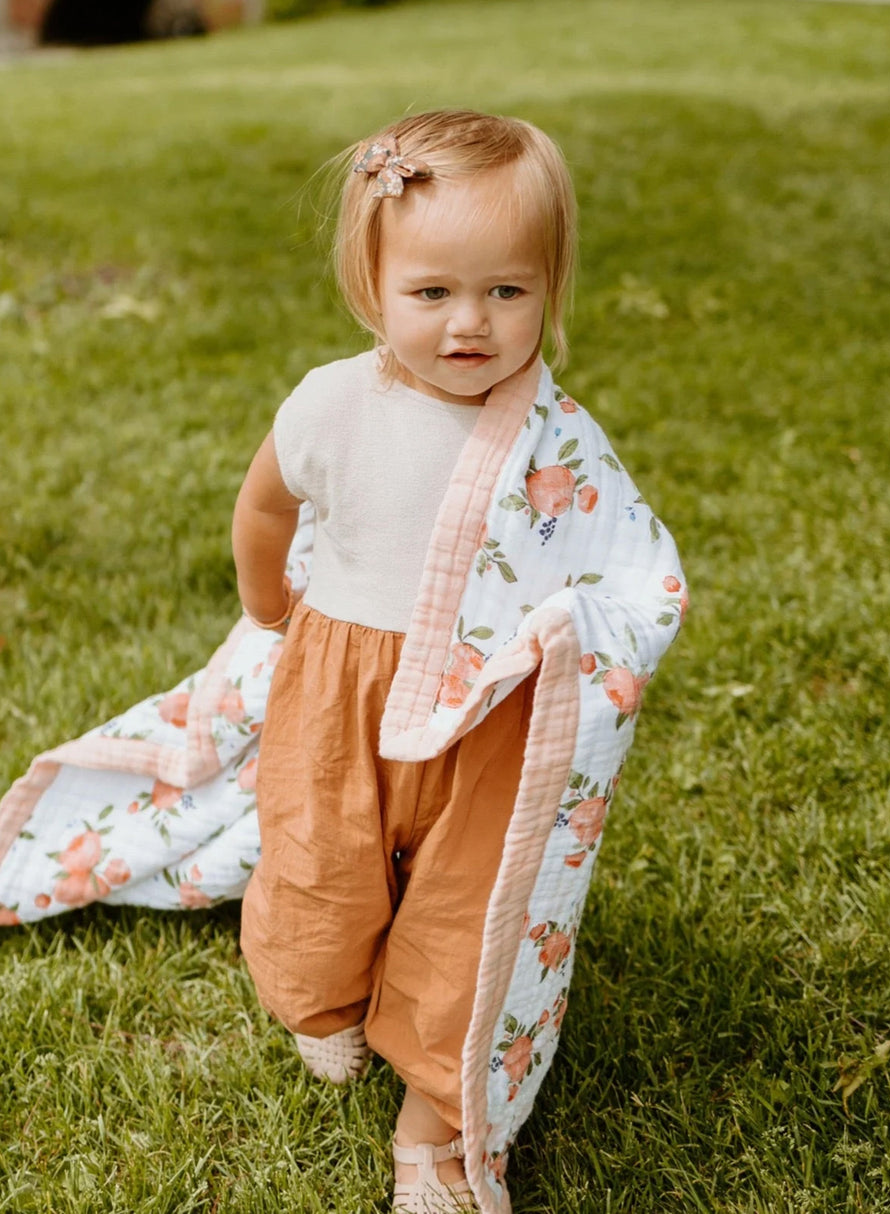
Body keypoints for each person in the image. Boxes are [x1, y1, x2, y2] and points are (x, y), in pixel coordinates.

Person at [231, 109, 578, 1213]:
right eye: (431, 293)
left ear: (548, 290)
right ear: (369, 284)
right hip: (344, 682)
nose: (469, 323)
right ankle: (323, 998)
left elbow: (612, 555)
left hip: (484, 706)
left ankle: (432, 1118)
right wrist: (264, 605)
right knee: (321, 852)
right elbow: (262, 505)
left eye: (505, 291)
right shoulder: (333, 403)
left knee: (469, 899)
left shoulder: (550, 433)